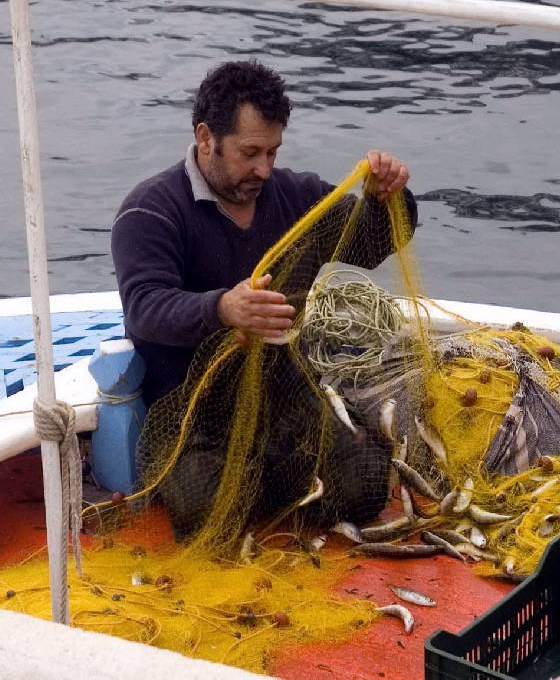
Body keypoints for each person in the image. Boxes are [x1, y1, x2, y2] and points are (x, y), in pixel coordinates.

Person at [111, 60, 416, 538]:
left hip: (283, 395)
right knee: (204, 514)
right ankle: (264, 482)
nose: (263, 169)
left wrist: (387, 199)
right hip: (193, 411)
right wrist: (221, 308)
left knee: (364, 489)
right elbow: (145, 308)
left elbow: (368, 246)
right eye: (250, 152)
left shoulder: (295, 196)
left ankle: (276, 475)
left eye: (272, 152)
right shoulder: (151, 209)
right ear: (206, 137)